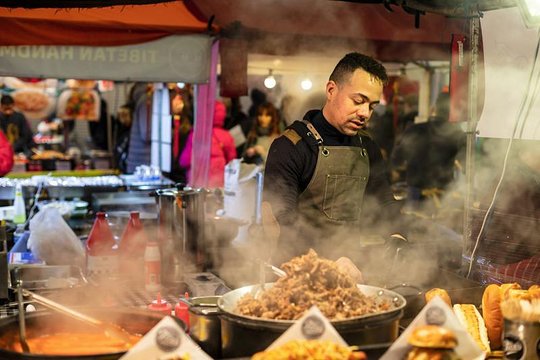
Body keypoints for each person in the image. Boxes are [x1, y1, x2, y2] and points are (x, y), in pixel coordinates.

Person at [263, 52, 407, 265]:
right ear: (331, 90)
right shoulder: (291, 146)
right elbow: (282, 220)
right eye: (358, 101)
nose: (365, 113)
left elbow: (383, 202)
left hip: (350, 267)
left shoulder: (366, 146)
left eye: (372, 106)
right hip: (296, 272)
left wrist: (397, 235)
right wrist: (326, 266)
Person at [471, 140, 540, 287]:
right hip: (510, 262)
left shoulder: (511, 173)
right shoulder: (523, 181)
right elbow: (529, 231)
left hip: (494, 258)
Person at [391, 92, 466, 209]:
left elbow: (396, 161)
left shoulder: (414, 129)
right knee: (441, 225)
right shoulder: (457, 133)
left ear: (434, 109)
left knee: (414, 224)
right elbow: (466, 164)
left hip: (415, 192)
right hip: (444, 194)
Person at [179, 100, 237, 188]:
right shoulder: (226, 136)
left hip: (198, 182)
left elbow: (184, 161)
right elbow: (232, 162)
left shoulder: (196, 134)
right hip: (219, 184)